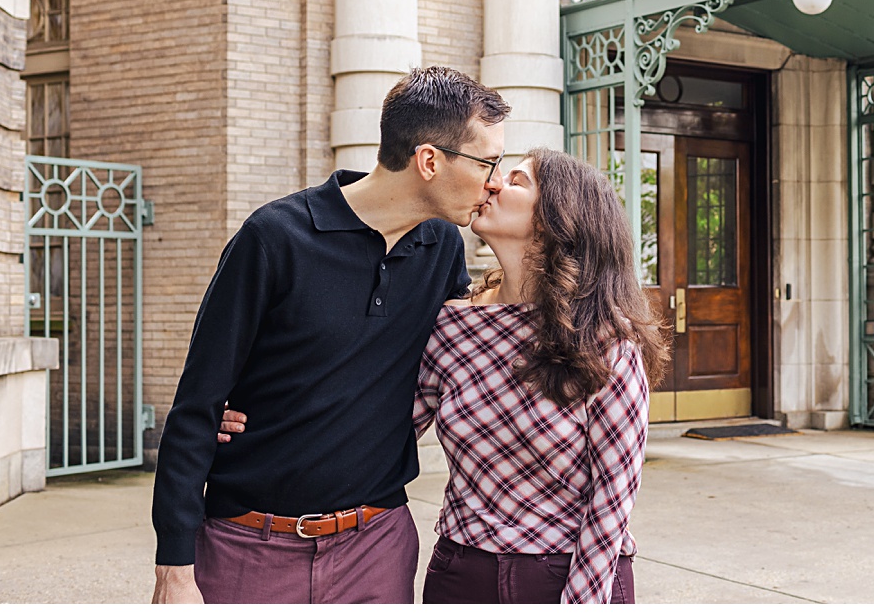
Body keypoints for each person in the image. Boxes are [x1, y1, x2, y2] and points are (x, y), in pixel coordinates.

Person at [221, 147, 667, 604]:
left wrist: (581, 602)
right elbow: (377, 427)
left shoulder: (606, 343)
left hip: (564, 570)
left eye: (516, 181)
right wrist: (258, 420)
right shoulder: (455, 327)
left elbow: (611, 500)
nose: (492, 183)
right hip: (460, 569)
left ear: (559, 218)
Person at [150, 65, 510, 604]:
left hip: (378, 549)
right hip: (249, 547)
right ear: (429, 161)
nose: (496, 181)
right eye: (489, 162)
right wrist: (175, 566)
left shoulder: (441, 250)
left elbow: (479, 355)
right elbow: (196, 405)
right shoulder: (273, 239)